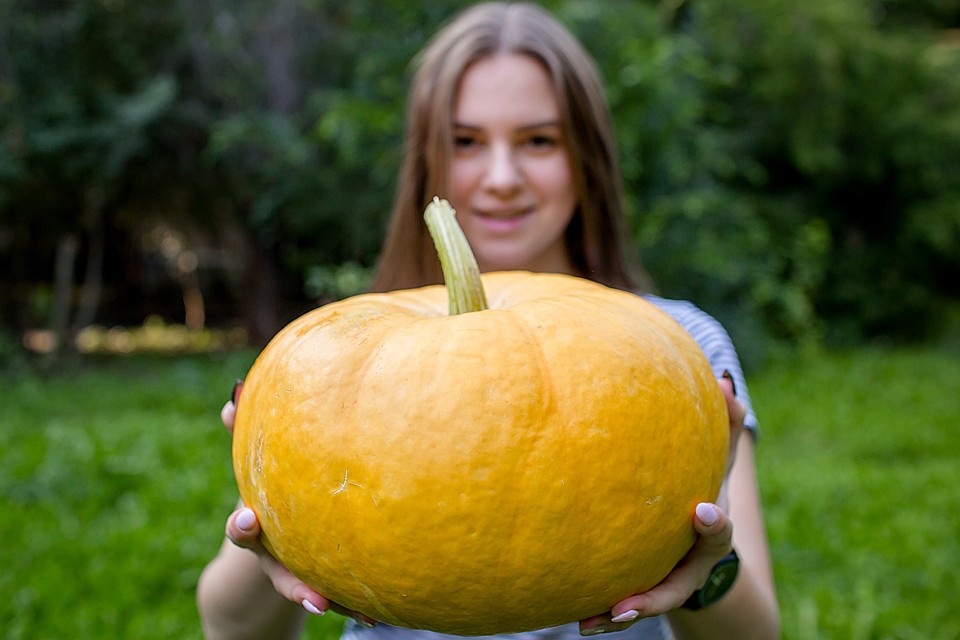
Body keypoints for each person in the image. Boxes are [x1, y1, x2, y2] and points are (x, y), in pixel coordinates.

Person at [196, 3, 781, 639]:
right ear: (428, 162)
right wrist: (277, 509)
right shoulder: (340, 363)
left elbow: (756, 636)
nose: (502, 178)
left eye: (539, 140)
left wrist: (706, 560)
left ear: (587, 159)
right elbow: (232, 632)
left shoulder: (680, 348)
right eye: (466, 142)